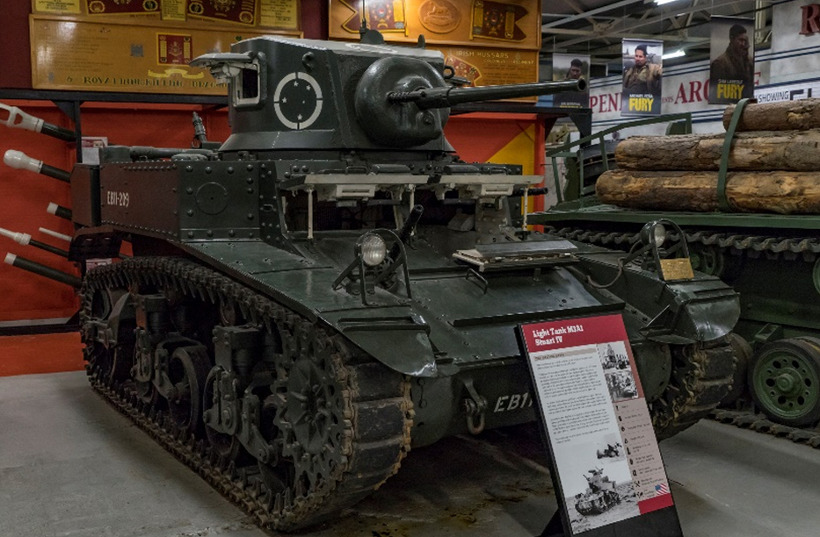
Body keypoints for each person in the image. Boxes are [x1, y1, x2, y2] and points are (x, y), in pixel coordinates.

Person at [710, 24, 754, 96]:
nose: (743, 44)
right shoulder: (720, 63)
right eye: (740, 40)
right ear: (732, 39)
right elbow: (717, 91)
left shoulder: (750, 61)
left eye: (745, 41)